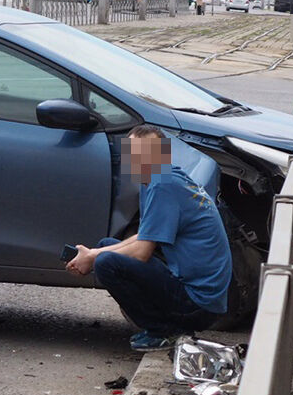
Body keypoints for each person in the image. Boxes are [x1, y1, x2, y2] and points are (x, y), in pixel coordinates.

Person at [65, 125, 232, 352]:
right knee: (107, 246)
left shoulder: (162, 184)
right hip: (198, 295)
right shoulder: (160, 177)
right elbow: (144, 236)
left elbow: (142, 251)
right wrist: (94, 253)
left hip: (198, 303)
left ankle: (163, 331)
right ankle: (165, 326)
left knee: (106, 262)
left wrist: (94, 257)